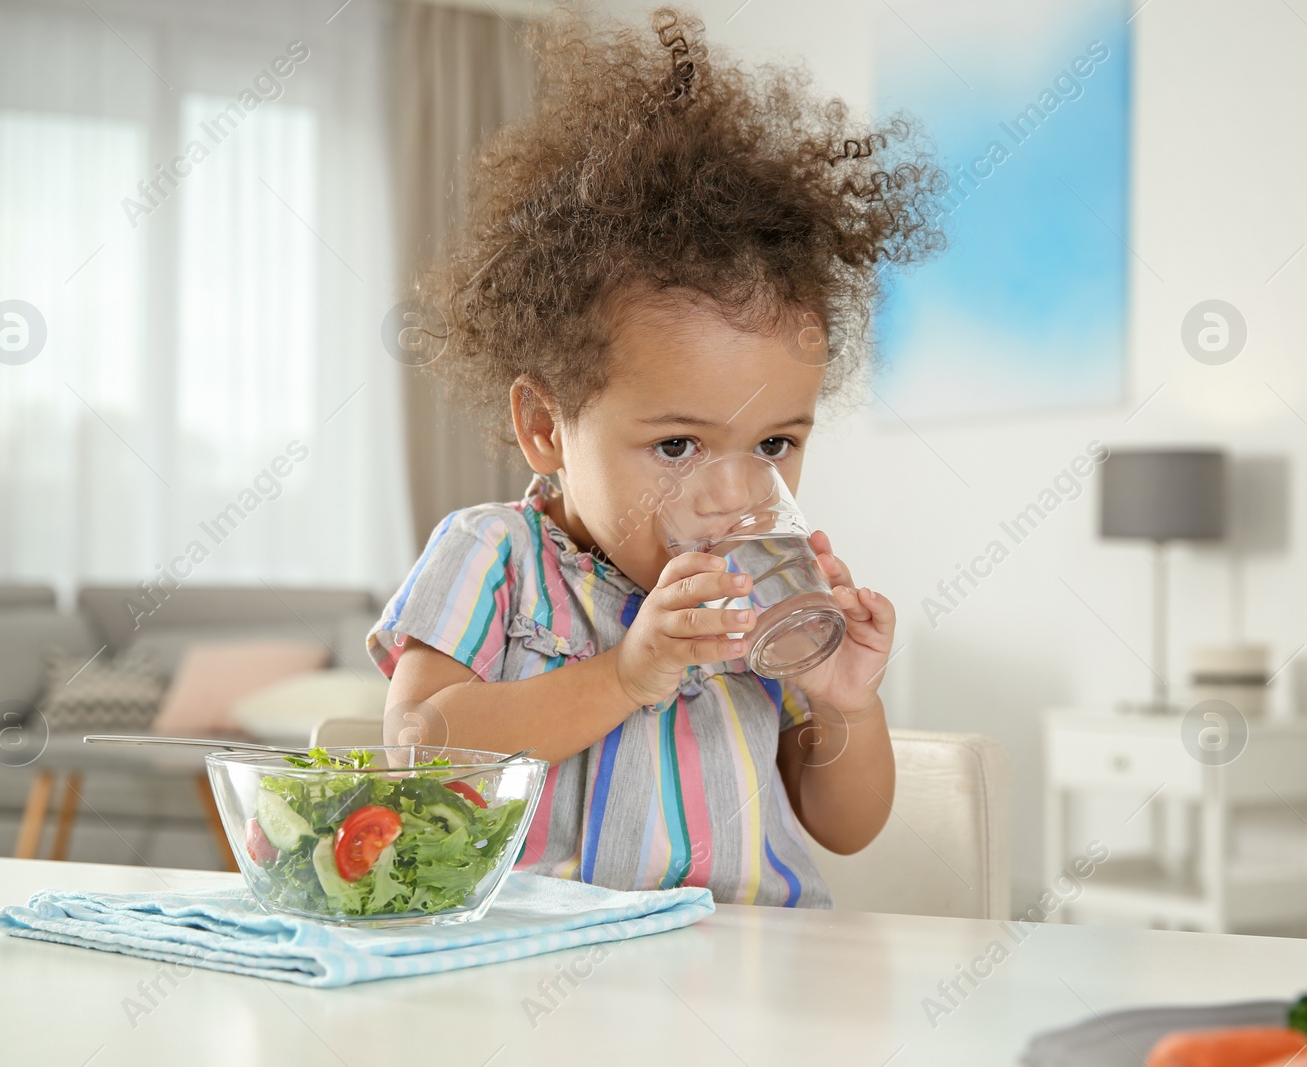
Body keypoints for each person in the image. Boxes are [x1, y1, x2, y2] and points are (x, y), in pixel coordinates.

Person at [367, 3, 945, 907]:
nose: (730, 490)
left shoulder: (765, 588)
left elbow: (847, 821)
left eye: (773, 443)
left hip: (757, 976)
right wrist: (625, 674)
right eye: (676, 444)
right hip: (541, 977)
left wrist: (844, 703)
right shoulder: (495, 557)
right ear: (546, 426)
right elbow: (422, 745)